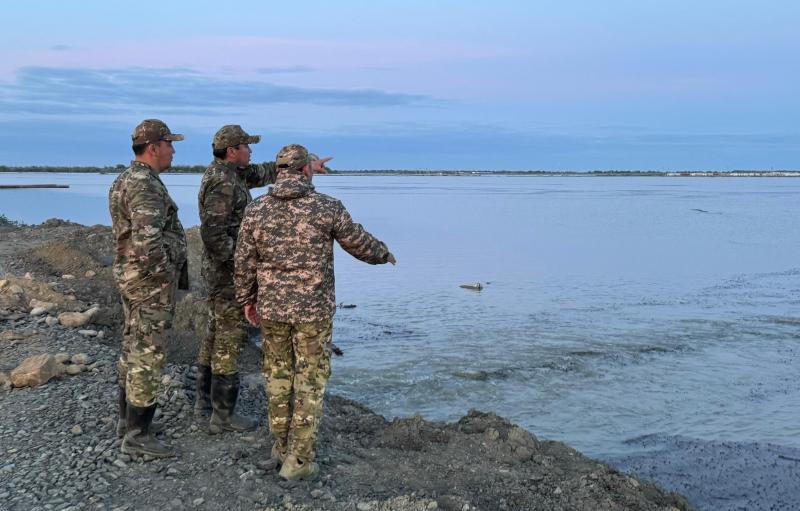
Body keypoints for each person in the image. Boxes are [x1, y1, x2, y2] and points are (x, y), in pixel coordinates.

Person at [234, 144, 396, 480]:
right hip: (313, 312)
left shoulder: (256, 210)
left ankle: (281, 449)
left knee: (278, 379)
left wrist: (247, 300)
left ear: (280, 171)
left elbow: (243, 263)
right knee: (309, 381)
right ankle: (300, 461)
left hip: (272, 309)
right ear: (306, 171)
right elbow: (360, 244)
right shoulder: (326, 207)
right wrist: (385, 254)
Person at [195, 126, 330, 434]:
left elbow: (266, 171)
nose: (250, 151)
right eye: (246, 146)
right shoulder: (222, 182)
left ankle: (204, 405)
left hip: (225, 271)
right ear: (232, 151)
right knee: (228, 337)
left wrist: (308, 162)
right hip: (226, 273)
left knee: (215, 333)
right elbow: (214, 236)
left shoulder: (233, 174)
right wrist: (245, 262)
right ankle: (222, 415)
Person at [108, 119, 188, 457]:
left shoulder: (126, 179)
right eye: (170, 144)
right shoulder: (144, 185)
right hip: (148, 283)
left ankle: (129, 422)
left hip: (132, 277)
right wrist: (165, 274)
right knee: (148, 354)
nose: (173, 150)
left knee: (132, 346)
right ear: (153, 147)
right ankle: (138, 437)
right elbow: (147, 240)